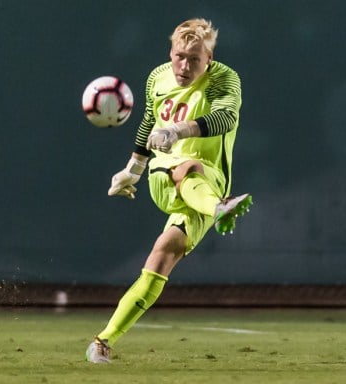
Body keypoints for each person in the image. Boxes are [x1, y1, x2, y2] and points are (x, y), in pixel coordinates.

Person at [85, 18, 252, 363]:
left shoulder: (225, 79)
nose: (185, 66)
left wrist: (179, 130)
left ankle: (102, 342)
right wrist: (132, 170)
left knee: (162, 255)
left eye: (195, 59)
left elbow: (226, 119)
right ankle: (220, 208)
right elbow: (149, 121)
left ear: (210, 57)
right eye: (180, 56)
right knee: (182, 166)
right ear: (170, 52)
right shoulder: (157, 77)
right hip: (166, 173)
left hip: (211, 182)